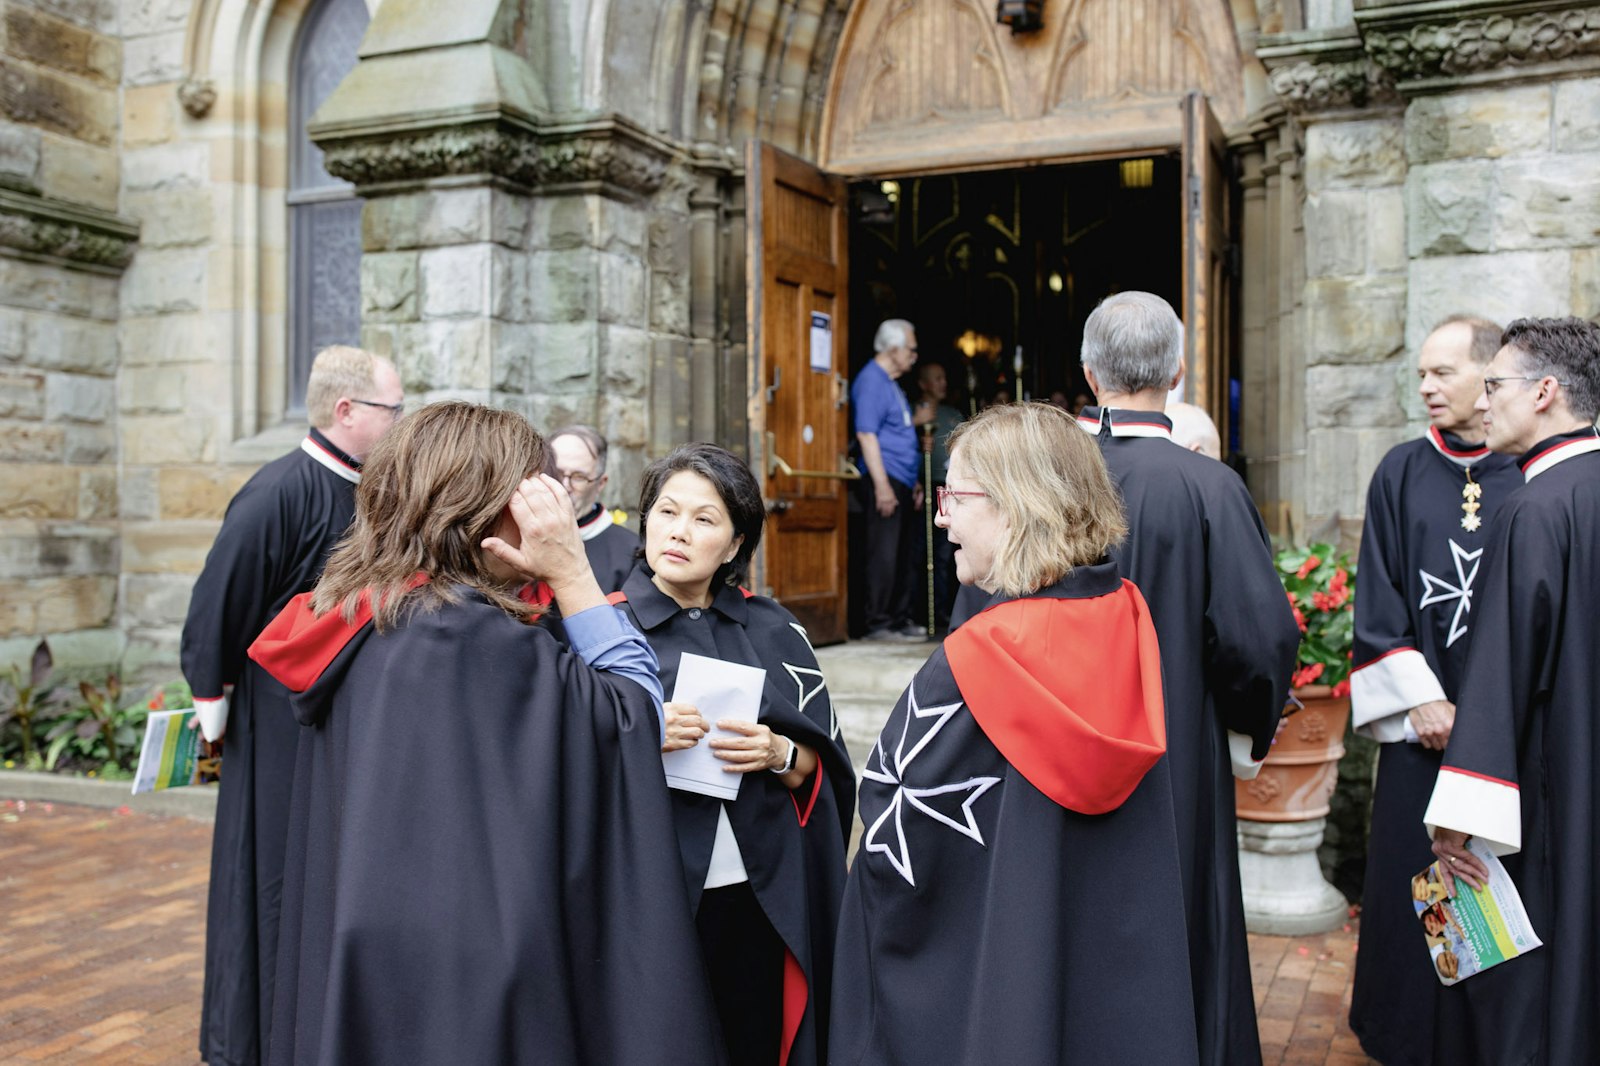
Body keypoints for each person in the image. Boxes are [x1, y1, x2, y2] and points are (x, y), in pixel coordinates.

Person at [247, 403, 725, 1066]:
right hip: (475, 979)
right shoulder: (467, 638)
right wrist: (571, 570)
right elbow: (630, 717)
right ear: (485, 511)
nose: (546, 515)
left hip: (373, 954)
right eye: (533, 495)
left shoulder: (364, 610)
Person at [829, 403, 1199, 1064]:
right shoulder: (1127, 615)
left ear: (1016, 504)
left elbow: (894, 818)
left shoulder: (979, 656)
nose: (941, 516)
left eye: (957, 496)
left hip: (1007, 965)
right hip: (1114, 946)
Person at [1075, 291, 1298, 1066]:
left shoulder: (1042, 484)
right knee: (1182, 912)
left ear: (1088, 371)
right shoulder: (1209, 487)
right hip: (1174, 750)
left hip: (1049, 749)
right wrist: (1248, 719)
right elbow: (1260, 634)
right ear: (1176, 371)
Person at [180, 344, 402, 1066]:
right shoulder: (277, 492)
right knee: (268, 873)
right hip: (275, 725)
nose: (400, 423)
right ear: (346, 411)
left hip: (333, 721)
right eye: (391, 410)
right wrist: (209, 698)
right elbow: (220, 600)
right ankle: (248, 1041)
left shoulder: (369, 491)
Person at [610, 443, 855, 1066]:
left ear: (737, 543)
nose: (679, 533)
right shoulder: (600, 632)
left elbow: (821, 772)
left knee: (755, 1039)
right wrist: (635, 733)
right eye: (666, 512)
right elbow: (559, 765)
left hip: (757, 892)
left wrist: (777, 752)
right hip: (650, 895)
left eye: (704, 519)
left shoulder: (775, 629)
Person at [1345, 315, 1521, 1066]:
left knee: (1498, 883)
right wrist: (1421, 698)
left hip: (1508, 736)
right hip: (1424, 734)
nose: (1425, 386)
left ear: (1491, 378)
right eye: (1420, 372)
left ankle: (1491, 1040)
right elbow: (1377, 596)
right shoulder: (1400, 470)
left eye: (1441, 372)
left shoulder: (1532, 471)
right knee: (1420, 880)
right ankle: (1409, 1038)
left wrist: (1485, 715)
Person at [1424, 316, 1600, 1064]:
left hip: (1556, 788)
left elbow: (1500, 674)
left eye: (1495, 386)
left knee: (1539, 983)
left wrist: (1455, 821)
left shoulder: (1535, 507)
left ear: (1547, 393)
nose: (1482, 403)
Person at [851, 319, 924, 642]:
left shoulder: (891, 383)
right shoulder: (871, 380)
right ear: (893, 349)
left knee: (903, 553)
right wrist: (881, 485)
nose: (914, 356)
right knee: (884, 552)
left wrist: (915, 481)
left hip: (902, 480)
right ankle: (878, 622)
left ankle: (898, 618)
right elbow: (866, 434)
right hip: (885, 479)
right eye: (911, 349)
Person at [549, 423, 638, 593]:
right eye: (557, 473)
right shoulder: (513, 535)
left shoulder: (630, 553)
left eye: (579, 477)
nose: (564, 486)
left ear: (600, 483)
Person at [911, 361, 963, 630]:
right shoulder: (913, 413)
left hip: (951, 489)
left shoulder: (952, 414)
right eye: (937, 378)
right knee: (920, 553)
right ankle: (919, 613)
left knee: (946, 553)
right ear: (923, 384)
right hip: (923, 488)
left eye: (944, 377)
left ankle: (943, 613)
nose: (943, 383)